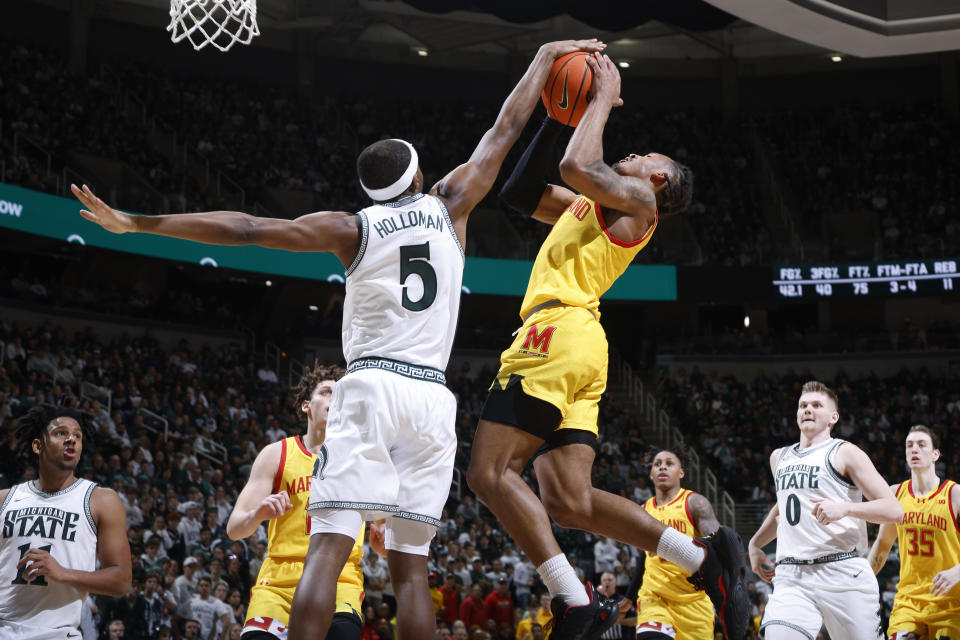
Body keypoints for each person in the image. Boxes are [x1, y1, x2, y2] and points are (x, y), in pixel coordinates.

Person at [72, 36, 605, 640]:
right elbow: (506, 127)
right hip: (432, 398)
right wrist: (543, 58)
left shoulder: (351, 228)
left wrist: (136, 222)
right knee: (411, 568)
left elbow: (246, 228)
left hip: (372, 386)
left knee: (328, 546)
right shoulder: (452, 202)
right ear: (419, 175)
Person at [466, 51, 747, 639]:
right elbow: (520, 193)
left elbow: (577, 163)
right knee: (571, 502)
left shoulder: (641, 203)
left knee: (490, 474)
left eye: (647, 157)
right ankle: (703, 561)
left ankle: (572, 601)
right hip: (579, 343)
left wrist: (599, 98)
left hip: (555, 333)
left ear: (660, 179)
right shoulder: (594, 204)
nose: (635, 154)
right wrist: (555, 111)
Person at [747, 380, 903, 639]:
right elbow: (784, 508)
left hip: (842, 572)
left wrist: (845, 508)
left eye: (816, 405)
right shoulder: (779, 457)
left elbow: (893, 510)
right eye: (803, 405)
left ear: (833, 417)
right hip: (792, 576)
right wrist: (755, 543)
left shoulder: (845, 452)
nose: (808, 409)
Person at [226, 363, 368, 640]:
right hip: (279, 581)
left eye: (341, 396)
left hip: (339, 578)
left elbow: (385, 538)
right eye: (327, 392)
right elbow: (234, 529)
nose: (334, 399)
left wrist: (381, 541)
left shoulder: (362, 459)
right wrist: (257, 513)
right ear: (306, 405)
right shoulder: (276, 453)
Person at [0, 404, 132, 638]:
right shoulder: (4, 499)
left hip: (59, 633)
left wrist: (63, 573)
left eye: (77, 436)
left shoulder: (101, 500)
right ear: (37, 445)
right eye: (61, 433)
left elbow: (121, 581)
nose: (71, 439)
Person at [866, 425, 960, 639]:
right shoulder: (895, 494)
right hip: (909, 603)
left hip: (952, 604)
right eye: (909, 445)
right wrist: (862, 582)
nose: (914, 449)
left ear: (936, 454)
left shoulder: (954, 494)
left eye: (921, 444)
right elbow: (882, 545)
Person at [633, 447, 718, 640]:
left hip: (694, 602)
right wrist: (629, 597)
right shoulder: (643, 510)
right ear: (651, 474)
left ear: (681, 472)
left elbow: (718, 549)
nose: (662, 467)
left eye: (669, 463)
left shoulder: (695, 503)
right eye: (657, 464)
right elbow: (642, 559)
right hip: (655, 597)